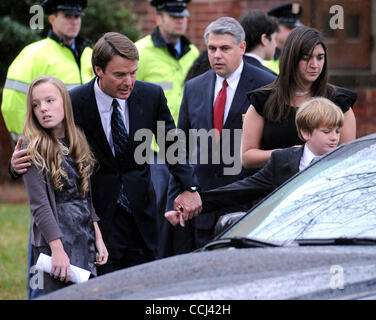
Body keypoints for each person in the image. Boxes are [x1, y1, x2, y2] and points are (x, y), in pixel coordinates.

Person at [10, 32, 202, 274]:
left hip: (142, 215)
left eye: (133, 72)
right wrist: (14, 166)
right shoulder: (74, 101)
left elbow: (171, 144)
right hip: (97, 218)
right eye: (120, 74)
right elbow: (44, 138)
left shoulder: (151, 96)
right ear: (98, 70)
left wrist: (189, 187)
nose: (129, 82)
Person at [164, 17, 276, 253]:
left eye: (225, 48)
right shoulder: (194, 87)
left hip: (248, 211)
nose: (216, 55)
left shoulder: (268, 86)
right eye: (212, 49)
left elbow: (275, 152)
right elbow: (180, 150)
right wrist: (175, 200)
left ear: (242, 48)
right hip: (201, 209)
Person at [166, 96, 345, 224]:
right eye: (327, 131)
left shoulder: (344, 163)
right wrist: (191, 205)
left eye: (337, 131)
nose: (334, 138)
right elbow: (239, 191)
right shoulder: (283, 161)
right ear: (305, 133)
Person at [21, 75, 108, 296]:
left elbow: (85, 198)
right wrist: (57, 250)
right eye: (36, 104)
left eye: (50, 101)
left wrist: (98, 237)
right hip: (52, 242)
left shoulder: (77, 140)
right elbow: (40, 206)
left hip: (82, 236)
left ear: (65, 103)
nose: (43, 109)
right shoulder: (32, 148)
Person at [241, 26, 357, 169]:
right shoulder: (263, 100)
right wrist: (288, 154)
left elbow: (346, 159)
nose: (315, 65)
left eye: (320, 57)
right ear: (291, 58)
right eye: (306, 58)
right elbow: (247, 157)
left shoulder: (339, 101)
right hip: (273, 186)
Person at [135, 0, 199, 253]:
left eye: (183, 15)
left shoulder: (193, 53)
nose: (180, 20)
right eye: (173, 15)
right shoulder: (140, 52)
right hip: (152, 150)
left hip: (186, 149)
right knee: (156, 212)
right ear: (158, 18)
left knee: (181, 214)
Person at [1, 0, 93, 144]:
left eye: (77, 16)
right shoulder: (34, 54)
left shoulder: (90, 54)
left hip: (87, 145)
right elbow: (14, 102)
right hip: (49, 146)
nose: (74, 21)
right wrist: (29, 142)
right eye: (67, 16)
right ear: (52, 19)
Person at [263, 1, 303, 74]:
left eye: (297, 28)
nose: (294, 31)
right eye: (289, 27)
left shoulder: (299, 57)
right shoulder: (262, 55)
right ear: (275, 27)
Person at [239, 9, 278, 76]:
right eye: (274, 39)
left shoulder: (233, 70)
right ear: (264, 39)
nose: (275, 45)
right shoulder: (269, 77)